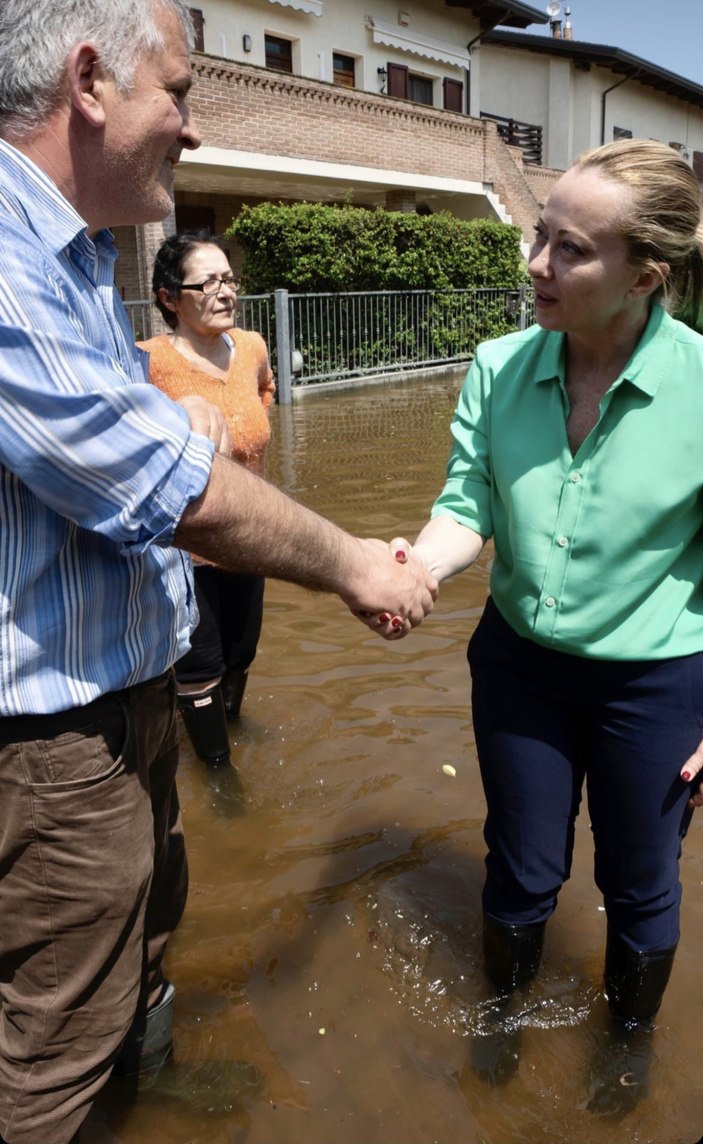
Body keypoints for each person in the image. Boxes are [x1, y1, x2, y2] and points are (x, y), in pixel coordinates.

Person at [0, 3, 436, 1142]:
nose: (192, 127)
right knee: (49, 1045)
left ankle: (146, 1084)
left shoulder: (81, 253)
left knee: (147, 928)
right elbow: (170, 486)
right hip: (45, 736)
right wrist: (355, 564)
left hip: (123, 691)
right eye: (180, 92)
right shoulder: (5, 258)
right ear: (89, 82)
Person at [370, 138, 703, 1115]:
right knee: (520, 864)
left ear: (644, 275)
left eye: (569, 250)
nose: (535, 265)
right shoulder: (497, 366)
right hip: (518, 664)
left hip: (657, 679)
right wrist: (413, 570)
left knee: (641, 880)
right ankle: (501, 1017)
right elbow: (464, 503)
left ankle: (627, 1045)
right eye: (538, 236)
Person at [141, 231, 273, 769]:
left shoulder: (253, 348)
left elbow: (263, 395)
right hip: (185, 548)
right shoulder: (146, 363)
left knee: (242, 651)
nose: (226, 292)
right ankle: (219, 779)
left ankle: (230, 724)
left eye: (229, 279)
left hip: (251, 537)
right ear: (170, 298)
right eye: (209, 282)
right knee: (200, 665)